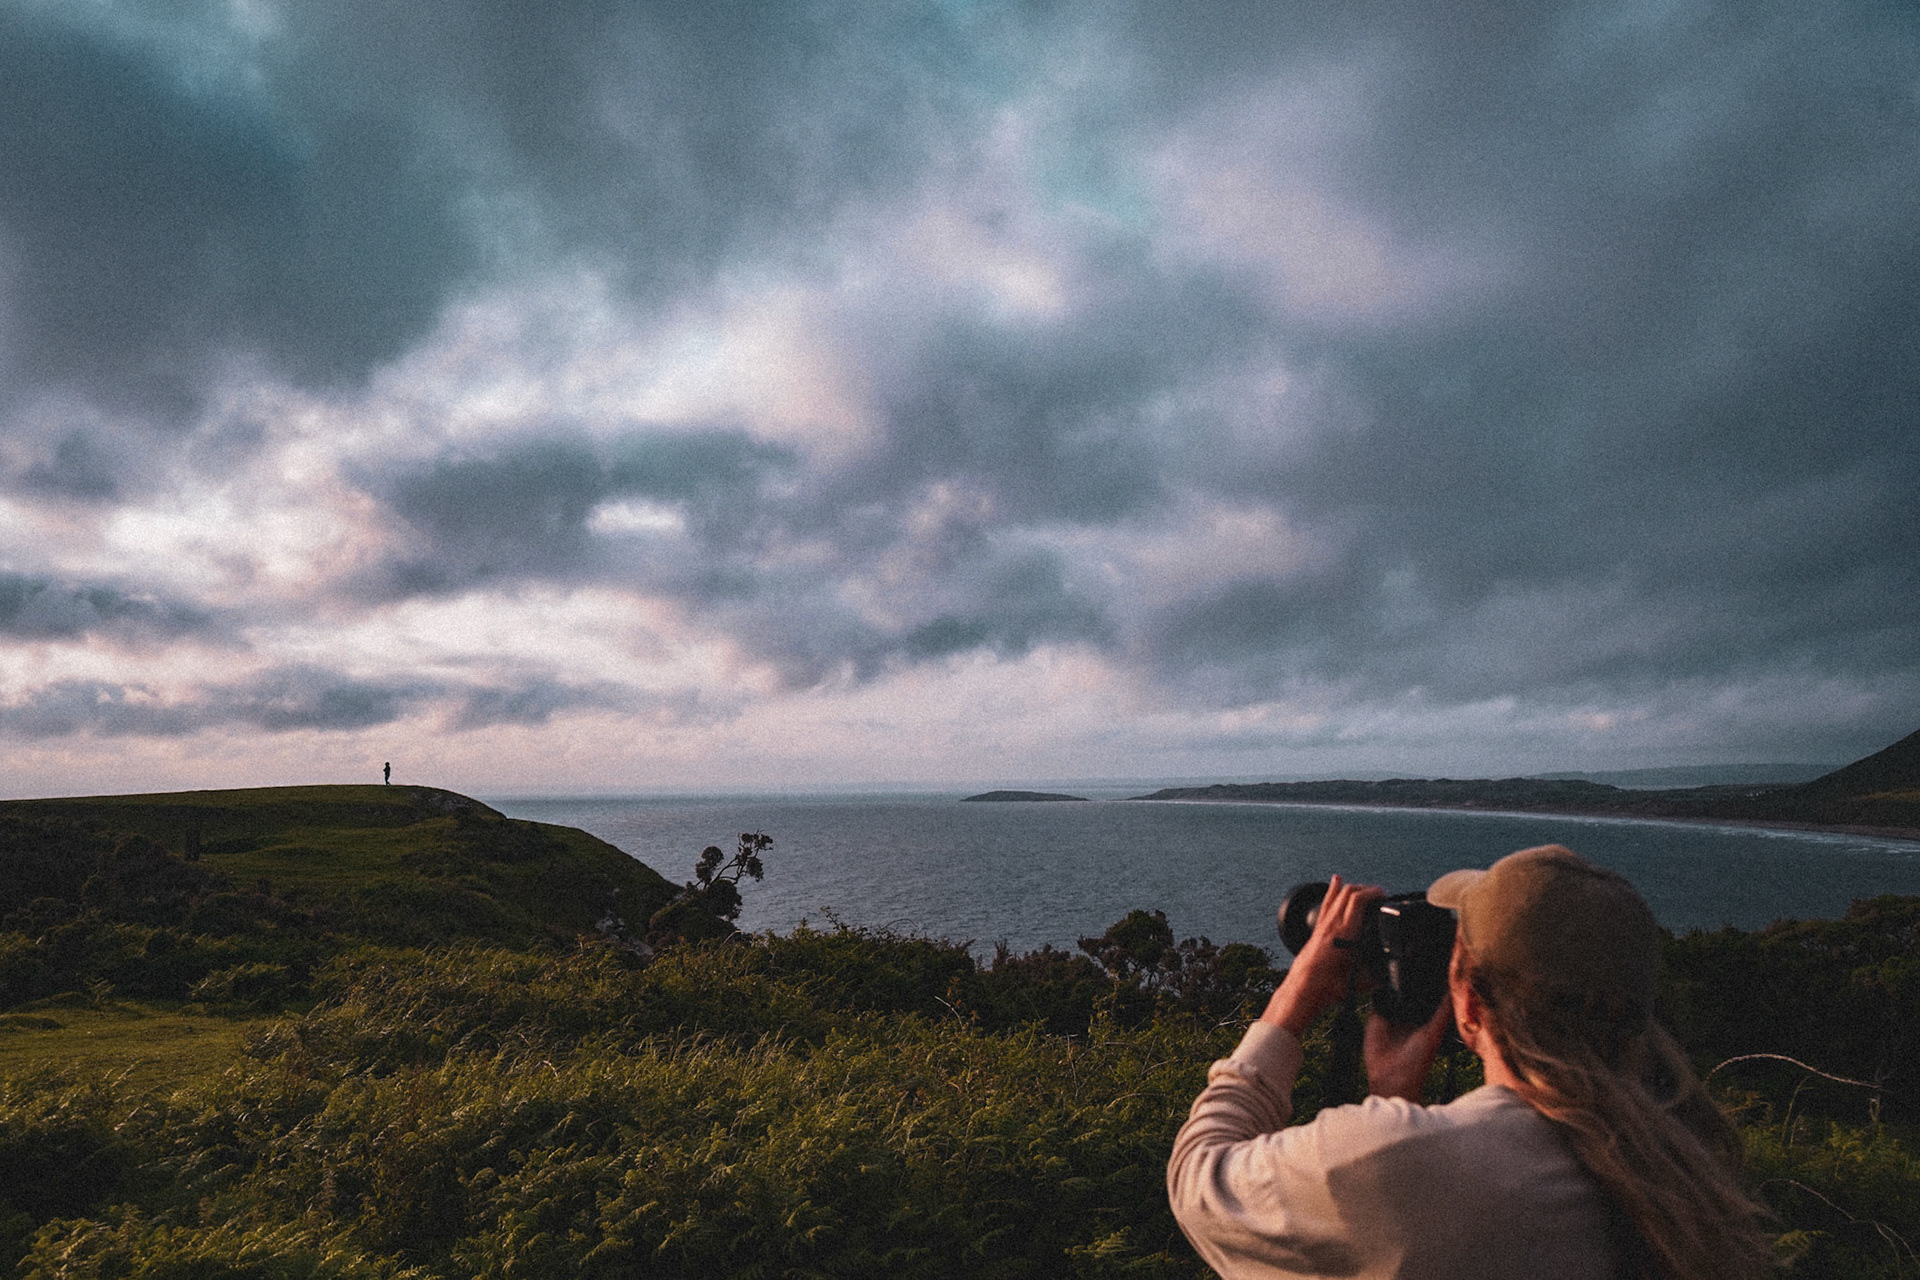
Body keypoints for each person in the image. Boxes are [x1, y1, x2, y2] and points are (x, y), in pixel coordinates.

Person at [1167, 845, 1772, 1279]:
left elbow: (1199, 1180)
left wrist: (1293, 999)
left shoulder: (1405, 1162)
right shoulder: (1686, 1169)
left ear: (1470, 999)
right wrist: (1392, 1100)